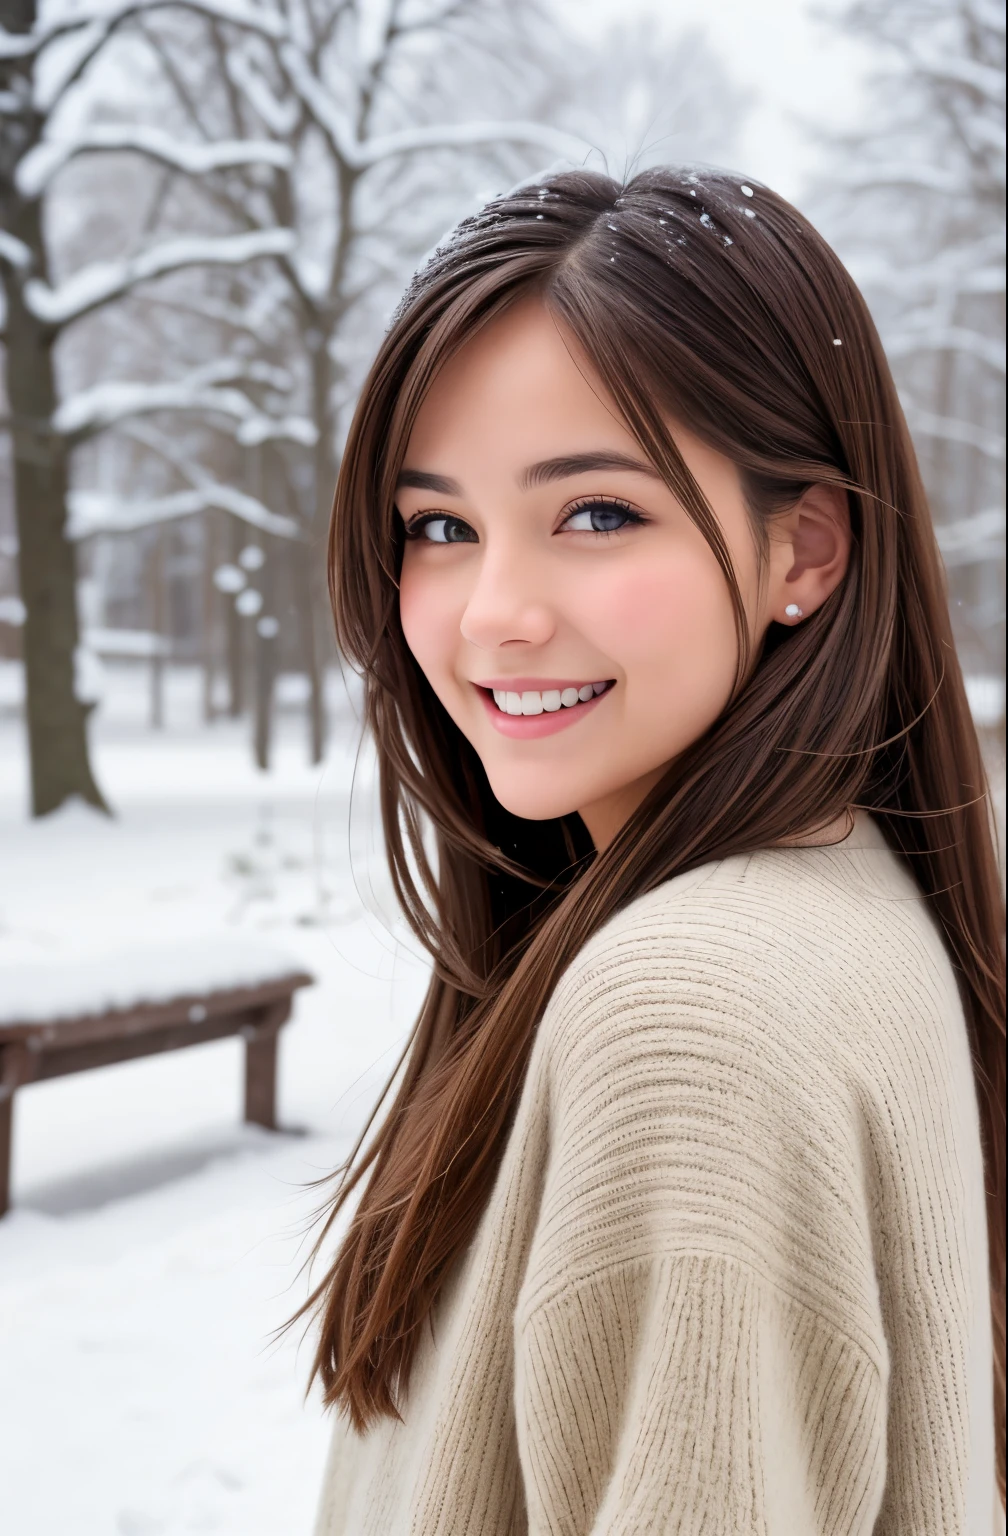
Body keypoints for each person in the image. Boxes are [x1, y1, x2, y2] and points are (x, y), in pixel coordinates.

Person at [303, 167, 1006, 1534]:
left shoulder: (696, 1013)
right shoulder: (846, 899)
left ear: (804, 547)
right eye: (440, 526)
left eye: (597, 513)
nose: (491, 614)